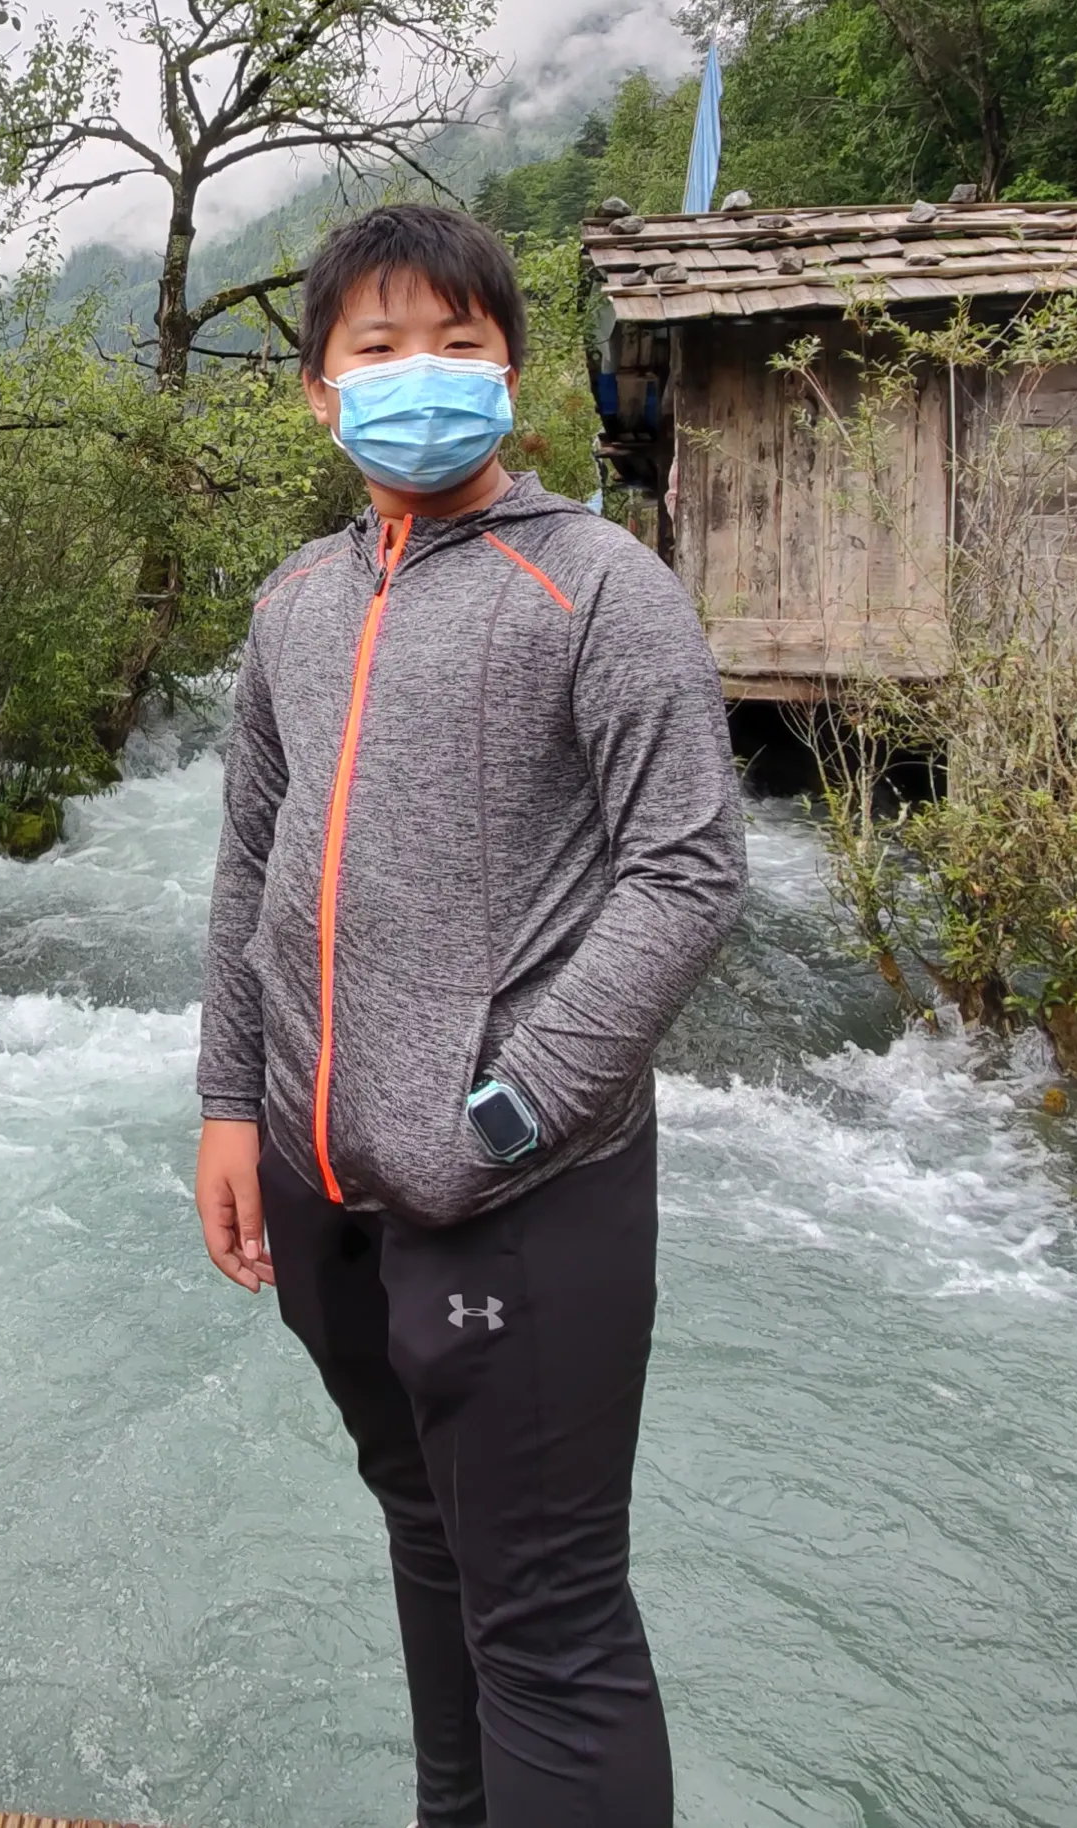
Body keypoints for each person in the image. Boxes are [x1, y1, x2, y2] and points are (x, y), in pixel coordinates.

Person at [196, 200, 745, 1828]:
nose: (418, 374)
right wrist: (234, 1105)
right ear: (319, 389)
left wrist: (504, 1111)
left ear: (512, 373)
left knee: (551, 1623)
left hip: (522, 1199)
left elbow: (691, 874)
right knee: (426, 1544)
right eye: (378, 348)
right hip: (321, 1184)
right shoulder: (296, 601)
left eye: (458, 343)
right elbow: (249, 867)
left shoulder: (597, 585)